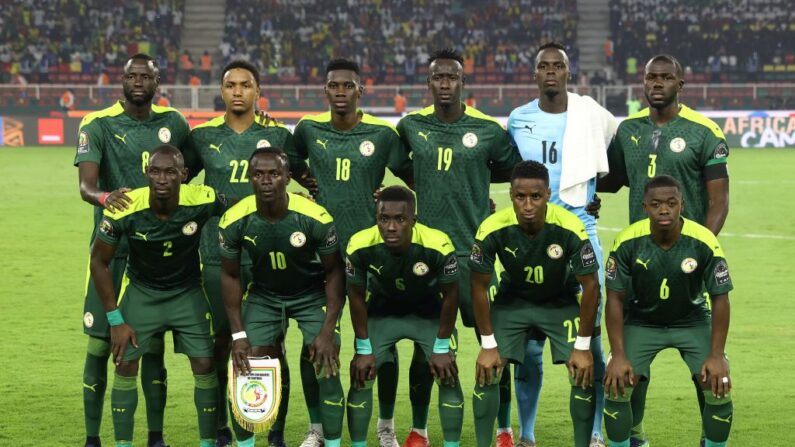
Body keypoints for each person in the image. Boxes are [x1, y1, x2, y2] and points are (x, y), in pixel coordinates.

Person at [598, 54, 730, 447]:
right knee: (631, 363)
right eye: (650, 77)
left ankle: (710, 436)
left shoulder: (704, 132)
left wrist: (698, 253)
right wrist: (580, 193)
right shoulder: (628, 130)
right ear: (643, 83)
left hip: (688, 260)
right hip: (640, 261)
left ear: (680, 84)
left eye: (666, 77)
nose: (657, 83)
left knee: (706, 369)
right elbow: (613, 179)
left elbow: (718, 201)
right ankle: (633, 434)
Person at [397, 47, 523, 447]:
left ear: (463, 82)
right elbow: (404, 168)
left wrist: (476, 190)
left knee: (492, 342)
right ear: (429, 82)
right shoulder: (411, 126)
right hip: (425, 256)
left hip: (473, 255)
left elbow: (508, 166)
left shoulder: (487, 130)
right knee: (425, 348)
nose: (445, 84)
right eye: (438, 77)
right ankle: (419, 428)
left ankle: (503, 428)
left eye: (452, 77)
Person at [286, 57, 413, 447]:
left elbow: (414, 177)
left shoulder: (383, 134)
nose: (341, 92)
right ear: (325, 91)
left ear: (361, 91)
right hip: (317, 256)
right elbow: (286, 161)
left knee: (381, 346)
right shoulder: (307, 129)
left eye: (348, 86)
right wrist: (306, 180)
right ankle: (317, 427)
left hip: (370, 256)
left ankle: (386, 425)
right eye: (334, 86)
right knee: (316, 344)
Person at [74, 53, 190, 447]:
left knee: (150, 345)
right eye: (131, 75)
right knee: (99, 343)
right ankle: (93, 437)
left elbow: (189, 173)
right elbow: (86, 188)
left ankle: (155, 437)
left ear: (158, 81)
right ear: (121, 80)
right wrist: (108, 197)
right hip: (111, 251)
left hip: (156, 253)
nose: (138, 81)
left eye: (146, 76)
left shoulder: (174, 122)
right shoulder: (98, 123)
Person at [507, 41, 616, 447]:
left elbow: (616, 160)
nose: (550, 71)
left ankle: (595, 433)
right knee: (531, 341)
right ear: (534, 74)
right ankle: (527, 434)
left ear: (569, 73)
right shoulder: (518, 119)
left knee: (593, 336)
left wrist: (594, 192)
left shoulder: (590, 114)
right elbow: (504, 166)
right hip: (531, 236)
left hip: (580, 227)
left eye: (558, 65)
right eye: (543, 66)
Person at [183, 60, 296, 447]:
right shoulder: (202, 138)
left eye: (245, 85)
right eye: (230, 84)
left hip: (268, 255)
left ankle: (275, 431)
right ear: (221, 90)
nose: (237, 91)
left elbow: (301, 179)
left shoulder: (278, 135)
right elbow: (180, 183)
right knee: (220, 343)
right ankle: (220, 429)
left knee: (272, 346)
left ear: (257, 91)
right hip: (217, 255)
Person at [89, 145, 226, 447]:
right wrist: (115, 320)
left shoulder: (202, 199)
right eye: (155, 171)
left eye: (170, 172)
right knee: (125, 364)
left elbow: (240, 206)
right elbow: (98, 261)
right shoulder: (125, 206)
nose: (162, 178)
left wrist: (286, 200)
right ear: (146, 174)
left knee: (205, 365)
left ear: (184, 175)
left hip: (187, 292)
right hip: (142, 292)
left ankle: (207, 442)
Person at [219, 148, 346, 447]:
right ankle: (246, 444)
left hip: (310, 294)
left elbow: (335, 273)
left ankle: (331, 441)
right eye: (259, 174)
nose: (266, 181)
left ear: (287, 178)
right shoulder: (234, 220)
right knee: (243, 364)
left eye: (274, 174)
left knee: (326, 363)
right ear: (249, 178)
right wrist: (238, 334)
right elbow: (231, 276)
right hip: (264, 295)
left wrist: (328, 330)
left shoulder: (314, 217)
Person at [470, 161, 600, 447]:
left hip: (560, 301)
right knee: (487, 370)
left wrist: (581, 347)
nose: (527, 205)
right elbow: (478, 287)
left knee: (582, 371)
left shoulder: (569, 226)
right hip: (513, 301)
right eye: (520, 197)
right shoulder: (492, 228)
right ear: (510, 195)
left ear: (548, 195)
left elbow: (591, 286)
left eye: (536, 197)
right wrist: (488, 344)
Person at [603, 175, 733, 447]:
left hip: (693, 320)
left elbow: (720, 298)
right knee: (617, 385)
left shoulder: (703, 241)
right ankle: (633, 436)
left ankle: (711, 442)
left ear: (682, 205)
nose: (664, 210)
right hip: (641, 322)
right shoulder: (627, 242)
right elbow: (614, 298)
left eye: (671, 203)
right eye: (657, 204)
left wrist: (717, 355)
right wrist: (618, 355)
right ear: (645, 207)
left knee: (718, 382)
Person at [345, 186, 464, 447]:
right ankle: (376, 433)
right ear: (376, 218)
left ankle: (426, 435)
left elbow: (451, 296)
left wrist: (442, 346)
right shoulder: (360, 245)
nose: (391, 227)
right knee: (362, 372)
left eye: (400, 219)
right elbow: (355, 296)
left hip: (428, 312)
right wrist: (363, 348)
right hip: (383, 311)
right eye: (384, 219)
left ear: (413, 220)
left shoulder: (438, 245)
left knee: (447, 373)